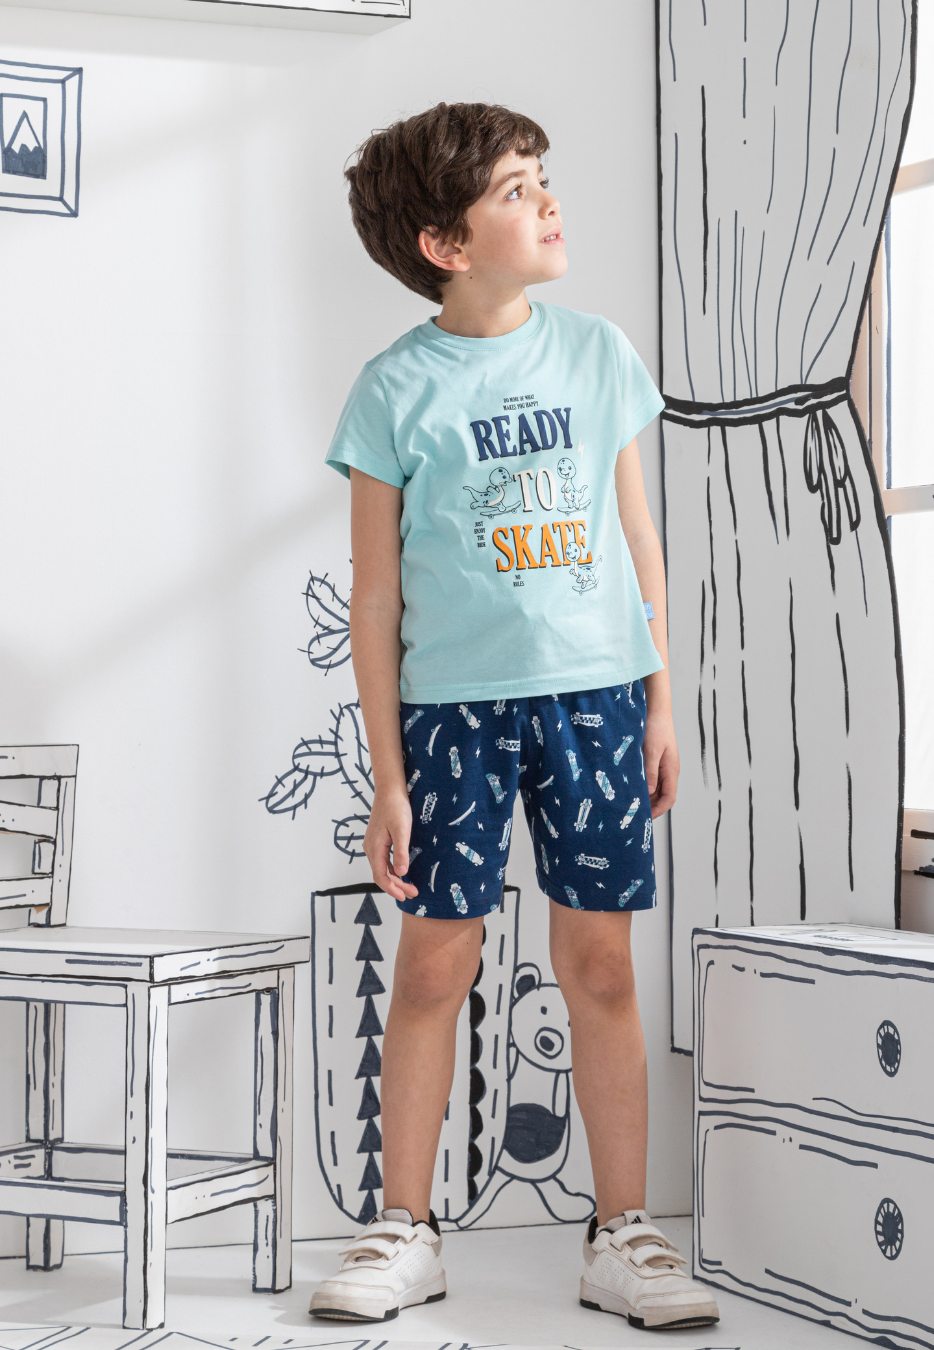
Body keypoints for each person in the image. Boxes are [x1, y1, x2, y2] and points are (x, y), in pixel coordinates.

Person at [307, 102, 719, 1333]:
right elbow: (376, 597)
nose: (547, 202)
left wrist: (660, 698)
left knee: (602, 964)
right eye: (516, 189)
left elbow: (635, 536)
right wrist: (388, 775)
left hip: (597, 699)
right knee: (436, 962)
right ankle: (404, 1228)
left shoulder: (598, 355)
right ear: (446, 243)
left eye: (544, 178)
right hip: (451, 717)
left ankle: (624, 1232)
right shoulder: (393, 390)